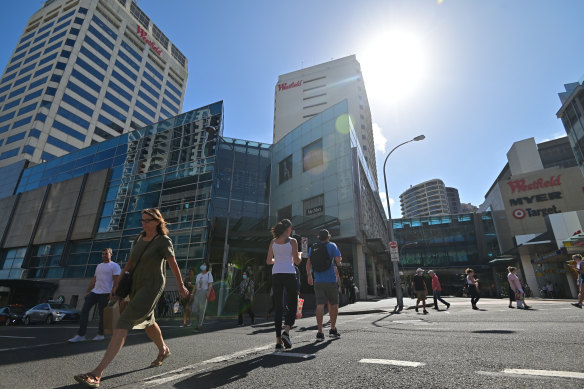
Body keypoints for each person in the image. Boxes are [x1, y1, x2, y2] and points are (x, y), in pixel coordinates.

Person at [74, 208, 189, 388]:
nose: (143, 223)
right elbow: (130, 263)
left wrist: (181, 285)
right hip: (135, 284)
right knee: (149, 322)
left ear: (157, 221)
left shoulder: (163, 241)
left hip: (151, 286)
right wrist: (117, 284)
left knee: (124, 322)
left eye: (147, 220)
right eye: (142, 220)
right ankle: (163, 350)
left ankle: (96, 374)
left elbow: (173, 263)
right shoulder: (139, 238)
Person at [69, 248, 121, 343]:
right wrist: (88, 291)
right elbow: (94, 280)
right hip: (95, 292)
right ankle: (81, 335)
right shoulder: (99, 266)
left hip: (106, 293)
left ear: (111, 254)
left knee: (102, 315)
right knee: (84, 311)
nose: (104, 255)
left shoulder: (115, 266)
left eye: (106, 254)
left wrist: (113, 293)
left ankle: (100, 335)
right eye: (103, 254)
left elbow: (116, 281)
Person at [265, 219, 302, 350]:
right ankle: (286, 332)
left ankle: (277, 342)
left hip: (276, 274)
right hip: (289, 273)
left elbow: (269, 261)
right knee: (293, 303)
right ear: (288, 229)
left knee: (279, 307)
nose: (291, 230)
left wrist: (278, 259)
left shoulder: (273, 242)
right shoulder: (292, 241)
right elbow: (297, 261)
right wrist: (299, 255)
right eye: (291, 228)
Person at [307, 229, 342, 341]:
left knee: (320, 305)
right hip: (331, 280)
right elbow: (338, 261)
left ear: (318, 237)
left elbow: (308, 262)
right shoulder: (332, 245)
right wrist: (339, 261)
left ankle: (320, 332)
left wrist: (309, 275)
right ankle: (332, 329)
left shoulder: (312, 247)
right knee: (334, 304)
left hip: (318, 280)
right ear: (328, 236)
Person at [192, 262, 213, 331]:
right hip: (197, 292)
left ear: (207, 266)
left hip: (204, 291)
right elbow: (195, 285)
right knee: (194, 309)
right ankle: (199, 322)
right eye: (202, 265)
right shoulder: (198, 275)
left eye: (204, 265)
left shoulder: (209, 274)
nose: (202, 266)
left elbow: (210, 284)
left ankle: (199, 325)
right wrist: (192, 293)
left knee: (202, 310)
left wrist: (208, 293)